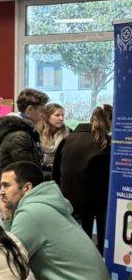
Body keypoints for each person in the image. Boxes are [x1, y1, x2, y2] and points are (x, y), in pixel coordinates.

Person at [0, 161, 115, 280]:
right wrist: (8, 216)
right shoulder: (47, 205)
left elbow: (8, 261)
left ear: (27, 187)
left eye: (6, 185)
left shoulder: (31, 212)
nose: (1, 192)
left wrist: (7, 218)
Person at [52, 105, 112, 250]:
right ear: (109, 121)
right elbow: (108, 176)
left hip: (69, 198)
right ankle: (101, 255)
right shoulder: (106, 142)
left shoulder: (68, 139)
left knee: (77, 238)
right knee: (103, 230)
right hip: (96, 200)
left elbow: (56, 172)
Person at [0, 88, 49, 178]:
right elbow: (28, 172)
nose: (43, 115)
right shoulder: (19, 136)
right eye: (41, 111)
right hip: (17, 185)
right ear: (30, 109)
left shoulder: (24, 131)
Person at [36, 102, 69, 174]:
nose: (61, 118)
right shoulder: (36, 133)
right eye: (57, 115)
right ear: (47, 117)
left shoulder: (68, 133)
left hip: (61, 172)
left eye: (63, 115)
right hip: (40, 172)